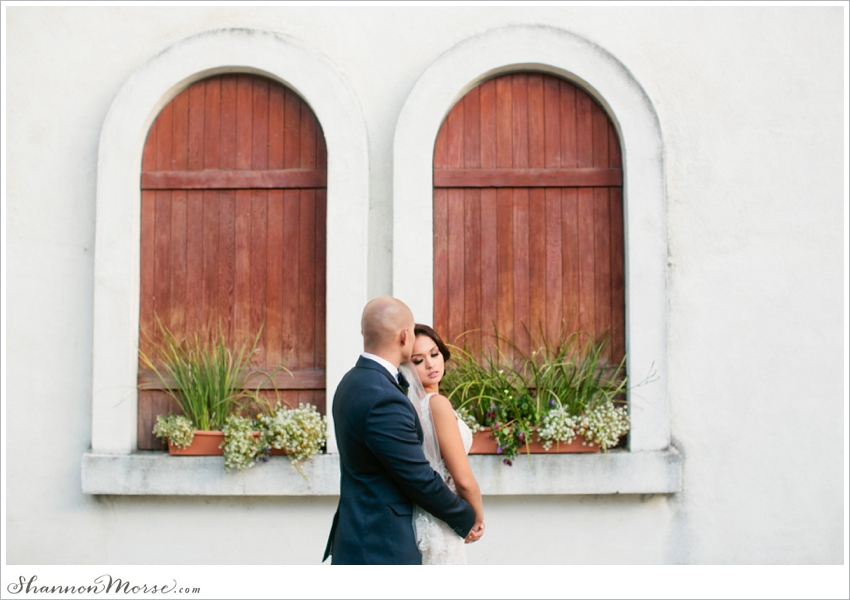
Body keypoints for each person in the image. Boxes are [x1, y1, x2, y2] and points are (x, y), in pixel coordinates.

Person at [323, 297, 482, 565]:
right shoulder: (383, 395)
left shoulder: (351, 381)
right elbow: (418, 478)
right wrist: (466, 517)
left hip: (359, 534)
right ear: (405, 335)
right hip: (381, 544)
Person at [404, 324, 485, 565]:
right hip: (446, 518)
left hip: (428, 517)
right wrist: (477, 517)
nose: (430, 364)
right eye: (418, 360)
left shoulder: (413, 408)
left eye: (434, 354)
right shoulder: (437, 404)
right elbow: (463, 479)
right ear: (407, 367)